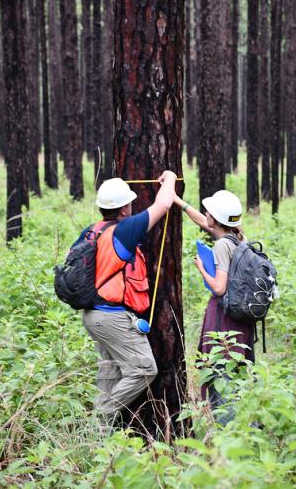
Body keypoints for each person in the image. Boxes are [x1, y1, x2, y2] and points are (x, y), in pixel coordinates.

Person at [77, 171, 177, 417]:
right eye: (130, 203)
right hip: (111, 318)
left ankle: (99, 440)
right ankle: (103, 412)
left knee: (110, 371)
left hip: (92, 315)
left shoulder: (91, 231)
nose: (133, 207)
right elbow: (163, 204)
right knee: (144, 369)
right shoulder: (124, 230)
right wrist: (172, 177)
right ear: (123, 210)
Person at [174, 190, 255, 424]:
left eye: (209, 211)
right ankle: (240, 425)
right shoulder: (238, 237)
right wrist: (178, 201)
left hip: (224, 319)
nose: (205, 214)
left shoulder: (221, 246)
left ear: (216, 219)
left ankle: (226, 431)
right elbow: (202, 220)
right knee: (234, 372)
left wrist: (201, 268)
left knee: (221, 374)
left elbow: (219, 288)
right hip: (240, 321)